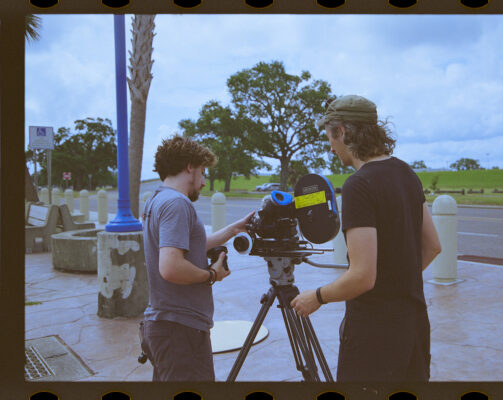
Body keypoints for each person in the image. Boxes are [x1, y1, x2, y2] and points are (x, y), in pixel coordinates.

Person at [291, 95, 442, 382]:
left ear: (343, 131)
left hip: (375, 336)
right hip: (413, 326)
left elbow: (362, 277)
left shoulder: (358, 186)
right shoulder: (406, 173)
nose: (330, 147)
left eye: (330, 137)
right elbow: (433, 246)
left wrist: (317, 297)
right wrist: (396, 282)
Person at [140, 135, 254, 381]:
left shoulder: (157, 200)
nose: (203, 183)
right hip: (180, 330)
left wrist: (232, 230)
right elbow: (170, 267)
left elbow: (187, 246)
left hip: (165, 326)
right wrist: (212, 274)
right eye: (202, 173)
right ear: (189, 167)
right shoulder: (177, 204)